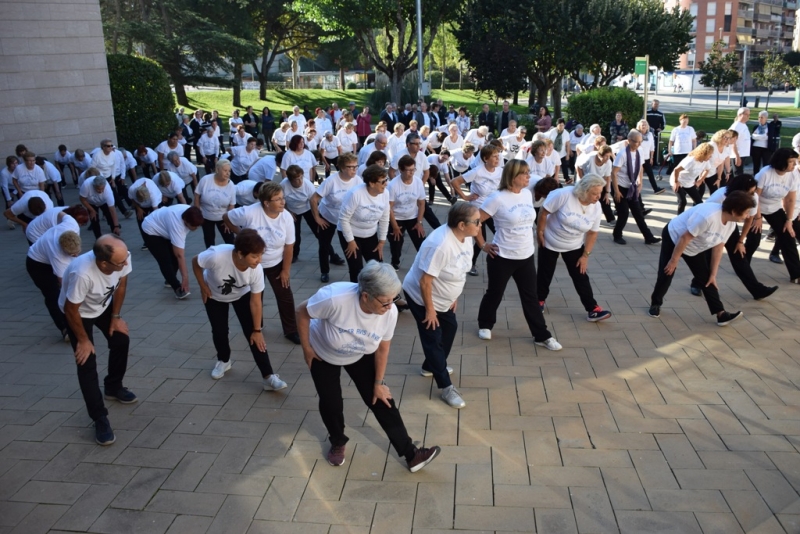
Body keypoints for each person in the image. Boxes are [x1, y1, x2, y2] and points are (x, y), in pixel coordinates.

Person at [296, 260, 441, 471]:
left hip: (359, 353)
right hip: (322, 353)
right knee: (331, 402)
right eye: (385, 302)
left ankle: (411, 454)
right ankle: (337, 441)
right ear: (366, 296)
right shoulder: (335, 298)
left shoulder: (388, 312)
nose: (391, 306)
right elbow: (302, 311)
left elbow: (383, 348)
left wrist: (378, 382)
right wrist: (307, 349)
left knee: (382, 399)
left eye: (394, 299)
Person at [473, 160, 562, 350]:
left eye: (529, 172)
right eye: (525, 173)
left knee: (531, 296)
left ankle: (541, 335)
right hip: (502, 256)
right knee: (495, 292)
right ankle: (485, 324)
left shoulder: (527, 194)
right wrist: (482, 244)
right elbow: (475, 220)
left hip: (525, 255)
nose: (529, 176)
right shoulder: (497, 198)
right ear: (513, 177)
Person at [59, 234, 136, 446]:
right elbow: (70, 309)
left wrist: (116, 317)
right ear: (104, 263)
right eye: (121, 262)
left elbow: (121, 285)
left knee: (121, 340)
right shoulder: (82, 273)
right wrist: (83, 340)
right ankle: (99, 418)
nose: (126, 263)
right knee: (86, 361)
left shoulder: (122, 257)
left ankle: (113, 386)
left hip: (102, 307)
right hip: (78, 314)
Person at [402, 203, 479, 409]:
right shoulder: (440, 244)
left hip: (444, 299)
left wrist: (453, 296)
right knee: (433, 338)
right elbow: (424, 281)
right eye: (477, 222)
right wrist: (430, 309)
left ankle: (431, 366)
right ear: (462, 225)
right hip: (423, 298)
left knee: (450, 329)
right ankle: (446, 387)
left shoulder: (467, 238)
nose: (480, 225)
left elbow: (459, 270)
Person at [192, 229, 287, 389]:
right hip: (214, 296)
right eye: (255, 256)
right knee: (219, 330)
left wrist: (257, 330)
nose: (259, 260)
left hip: (242, 295)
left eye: (261, 255)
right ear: (240, 254)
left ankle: (268, 376)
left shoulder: (256, 270)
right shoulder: (216, 255)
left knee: (254, 335)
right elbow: (196, 262)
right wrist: (202, 286)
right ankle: (224, 361)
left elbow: (256, 302)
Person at [648, 192, 755, 325]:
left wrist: (713, 274)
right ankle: (655, 304)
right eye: (746, 212)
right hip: (675, 237)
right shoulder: (708, 217)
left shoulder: (731, 224)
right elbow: (684, 237)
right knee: (667, 271)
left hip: (694, 246)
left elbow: (718, 247)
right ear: (734, 211)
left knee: (707, 279)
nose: (748, 216)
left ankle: (721, 314)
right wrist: (674, 260)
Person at [224, 181, 300, 344]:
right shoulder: (249, 212)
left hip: (276, 262)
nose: (283, 202)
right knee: (255, 294)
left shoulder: (286, 217)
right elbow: (227, 217)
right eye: (278, 199)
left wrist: (285, 270)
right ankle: (257, 326)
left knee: (285, 295)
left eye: (283, 198)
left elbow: (289, 246)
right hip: (254, 264)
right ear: (266, 203)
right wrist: (241, 234)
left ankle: (291, 330)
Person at [536, 175, 612, 322]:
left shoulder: (596, 207)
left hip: (574, 245)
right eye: (595, 193)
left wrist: (585, 255)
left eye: (600, 193)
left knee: (581, 275)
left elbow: (592, 233)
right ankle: (539, 300)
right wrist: (540, 232)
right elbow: (543, 212)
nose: (598, 197)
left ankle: (593, 309)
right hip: (550, 241)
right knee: (545, 273)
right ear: (584, 191)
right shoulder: (563, 195)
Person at [691, 174, 777, 300]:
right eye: (750, 191)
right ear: (739, 190)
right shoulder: (720, 195)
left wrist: (740, 241)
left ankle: (757, 290)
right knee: (709, 255)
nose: (753, 194)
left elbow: (749, 219)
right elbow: (704, 211)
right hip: (712, 225)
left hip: (730, 225)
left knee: (739, 256)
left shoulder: (753, 197)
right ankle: (697, 283)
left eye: (754, 190)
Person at [451, 146, 503, 276]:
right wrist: (465, 197)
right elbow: (454, 182)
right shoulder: (477, 171)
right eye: (494, 156)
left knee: (500, 232)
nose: (498, 158)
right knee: (481, 238)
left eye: (498, 156)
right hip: (477, 210)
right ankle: (471, 264)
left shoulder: (501, 171)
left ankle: (501, 262)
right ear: (485, 159)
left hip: (492, 209)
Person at [26, 223, 82, 340]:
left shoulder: (71, 225)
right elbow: (64, 285)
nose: (76, 255)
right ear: (63, 250)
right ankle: (64, 328)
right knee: (53, 295)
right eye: (72, 254)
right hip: (37, 265)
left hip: (47, 255)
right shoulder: (58, 256)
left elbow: (62, 213)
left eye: (77, 252)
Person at [310, 153, 359, 283]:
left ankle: (355, 273)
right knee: (324, 244)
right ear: (342, 167)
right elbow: (314, 199)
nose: (354, 170)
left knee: (351, 245)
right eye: (351, 167)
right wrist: (317, 218)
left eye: (356, 166)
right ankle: (324, 271)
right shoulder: (331, 181)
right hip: (328, 217)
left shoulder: (358, 180)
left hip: (346, 220)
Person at [337, 165, 390, 283]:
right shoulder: (355, 194)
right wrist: (350, 241)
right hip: (350, 233)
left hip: (370, 233)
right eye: (383, 181)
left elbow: (385, 218)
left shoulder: (385, 193)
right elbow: (343, 219)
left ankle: (384, 296)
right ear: (371, 183)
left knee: (378, 268)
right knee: (356, 268)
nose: (386, 184)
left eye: (386, 180)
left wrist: (381, 241)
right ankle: (356, 297)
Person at [755, 148, 800, 283]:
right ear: (781, 162)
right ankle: (742, 264)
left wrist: (789, 220)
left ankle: (796, 274)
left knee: (788, 237)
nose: (794, 164)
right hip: (756, 207)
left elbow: (790, 199)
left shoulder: (792, 175)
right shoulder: (765, 173)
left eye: (795, 161)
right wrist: (757, 218)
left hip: (774, 207)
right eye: (791, 162)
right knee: (753, 239)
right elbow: (754, 198)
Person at [142, 204, 203, 299]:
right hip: (151, 229)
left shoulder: (191, 212)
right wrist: (185, 278)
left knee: (174, 258)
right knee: (165, 260)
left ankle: (169, 279)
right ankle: (178, 288)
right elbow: (180, 255)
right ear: (186, 221)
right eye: (194, 226)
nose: (196, 228)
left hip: (165, 228)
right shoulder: (177, 225)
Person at [611, 131, 661, 245]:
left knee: (638, 212)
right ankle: (617, 235)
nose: (638, 144)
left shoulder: (640, 151)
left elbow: (641, 167)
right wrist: (616, 192)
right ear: (629, 140)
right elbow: (614, 173)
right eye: (635, 142)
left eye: (640, 142)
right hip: (620, 186)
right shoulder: (622, 154)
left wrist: (640, 183)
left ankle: (648, 237)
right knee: (623, 213)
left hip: (632, 187)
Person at [388, 155, 427, 270]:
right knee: (396, 243)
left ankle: (424, 263)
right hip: (396, 217)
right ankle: (395, 262)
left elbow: (421, 204)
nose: (411, 173)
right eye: (408, 170)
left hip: (412, 216)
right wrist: (395, 226)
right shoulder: (393, 185)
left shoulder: (418, 182)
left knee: (421, 241)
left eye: (413, 169)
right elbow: (389, 208)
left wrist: (419, 222)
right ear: (400, 170)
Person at [194, 159, 236, 248]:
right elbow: (197, 196)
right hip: (206, 216)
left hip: (223, 217)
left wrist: (228, 220)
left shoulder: (231, 185)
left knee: (230, 240)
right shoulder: (206, 180)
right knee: (209, 241)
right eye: (225, 170)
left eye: (229, 171)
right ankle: (209, 259)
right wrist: (198, 213)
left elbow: (232, 205)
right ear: (217, 170)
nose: (228, 173)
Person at [670, 143, 713, 215]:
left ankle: (695, 217)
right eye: (709, 155)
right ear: (703, 154)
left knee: (699, 202)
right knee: (683, 201)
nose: (710, 157)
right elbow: (676, 170)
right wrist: (676, 182)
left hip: (689, 182)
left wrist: (700, 180)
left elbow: (707, 170)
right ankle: (678, 219)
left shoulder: (706, 161)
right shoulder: (691, 161)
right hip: (678, 180)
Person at [80, 174, 123, 238]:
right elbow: (82, 199)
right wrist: (92, 210)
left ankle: (115, 237)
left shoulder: (108, 192)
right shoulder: (86, 185)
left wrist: (116, 226)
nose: (100, 191)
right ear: (94, 186)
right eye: (98, 189)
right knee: (94, 220)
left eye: (102, 189)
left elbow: (113, 210)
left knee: (110, 217)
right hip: (91, 202)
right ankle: (98, 238)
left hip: (104, 202)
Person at [548, 119, 571, 183]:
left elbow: (568, 144)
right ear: (557, 125)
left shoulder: (566, 133)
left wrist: (568, 154)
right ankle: (553, 177)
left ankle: (567, 178)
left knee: (564, 166)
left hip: (562, 152)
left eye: (562, 125)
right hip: (553, 152)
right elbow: (548, 141)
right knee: (553, 165)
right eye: (560, 125)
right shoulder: (552, 131)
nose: (561, 126)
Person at [730, 107, 752, 176]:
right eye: (746, 114)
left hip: (743, 154)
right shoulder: (736, 126)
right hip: (738, 154)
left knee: (735, 173)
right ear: (740, 114)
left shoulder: (743, 125)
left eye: (749, 115)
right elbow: (733, 143)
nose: (748, 116)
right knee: (737, 174)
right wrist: (737, 156)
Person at [751, 110, 773, 174]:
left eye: (762, 117)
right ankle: (755, 176)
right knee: (756, 164)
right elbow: (753, 136)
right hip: (756, 148)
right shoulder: (756, 127)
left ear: (766, 118)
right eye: (759, 117)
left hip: (766, 148)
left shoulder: (770, 127)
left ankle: (765, 176)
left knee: (766, 164)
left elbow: (768, 137)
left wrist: (757, 136)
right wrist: (763, 136)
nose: (760, 119)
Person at [646, 100, 666, 165]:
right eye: (654, 104)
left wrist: (661, 128)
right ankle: (647, 163)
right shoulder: (647, 112)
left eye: (657, 104)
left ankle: (654, 163)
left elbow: (664, 123)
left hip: (656, 134)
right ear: (652, 104)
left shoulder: (660, 114)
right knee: (647, 147)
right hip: (647, 133)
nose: (656, 105)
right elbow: (643, 121)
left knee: (655, 148)